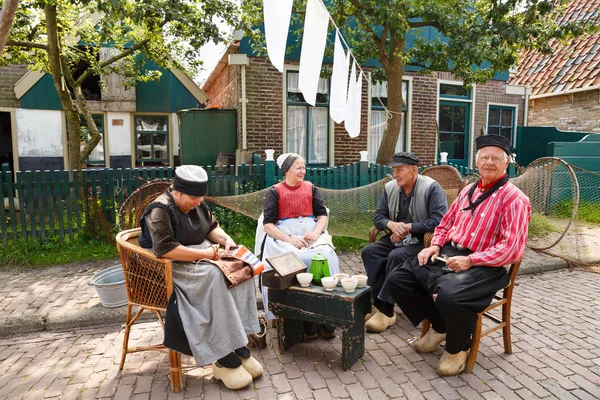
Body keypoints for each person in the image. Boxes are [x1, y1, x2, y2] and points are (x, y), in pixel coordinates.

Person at [386, 135, 531, 376]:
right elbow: (444, 223)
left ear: (507, 163)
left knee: (450, 295)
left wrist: (472, 260)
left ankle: (458, 347)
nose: (489, 162)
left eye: (496, 158)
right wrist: (435, 245)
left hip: (487, 265)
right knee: (398, 278)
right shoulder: (468, 192)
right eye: (484, 157)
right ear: (477, 162)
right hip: (450, 255)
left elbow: (512, 249)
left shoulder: (515, 199)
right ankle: (441, 326)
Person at [139, 165, 263, 390]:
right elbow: (166, 250)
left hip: (203, 253)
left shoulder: (196, 202)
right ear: (177, 192)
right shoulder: (160, 210)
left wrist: (226, 241)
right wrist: (206, 254)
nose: (198, 203)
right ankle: (224, 355)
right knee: (216, 276)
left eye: (200, 198)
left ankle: (239, 343)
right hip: (175, 264)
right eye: (194, 198)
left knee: (242, 268)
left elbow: (211, 227)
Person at [361, 152, 448, 333]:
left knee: (396, 255)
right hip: (397, 238)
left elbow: (440, 220)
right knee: (370, 251)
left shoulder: (432, 188)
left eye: (400, 170)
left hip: (422, 241)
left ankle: (387, 310)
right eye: (394, 170)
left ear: (414, 170)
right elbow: (378, 217)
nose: (396, 174)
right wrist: (391, 225)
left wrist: (408, 227)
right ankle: (377, 302)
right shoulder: (390, 188)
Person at [259, 153, 340, 339]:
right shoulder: (275, 191)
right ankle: (302, 316)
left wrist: (317, 232)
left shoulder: (311, 188)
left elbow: (322, 215)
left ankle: (326, 313)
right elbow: (268, 225)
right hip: (285, 235)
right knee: (297, 259)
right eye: (299, 167)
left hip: (310, 232)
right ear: (287, 170)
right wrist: (290, 240)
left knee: (325, 254)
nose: (303, 171)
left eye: (304, 167)